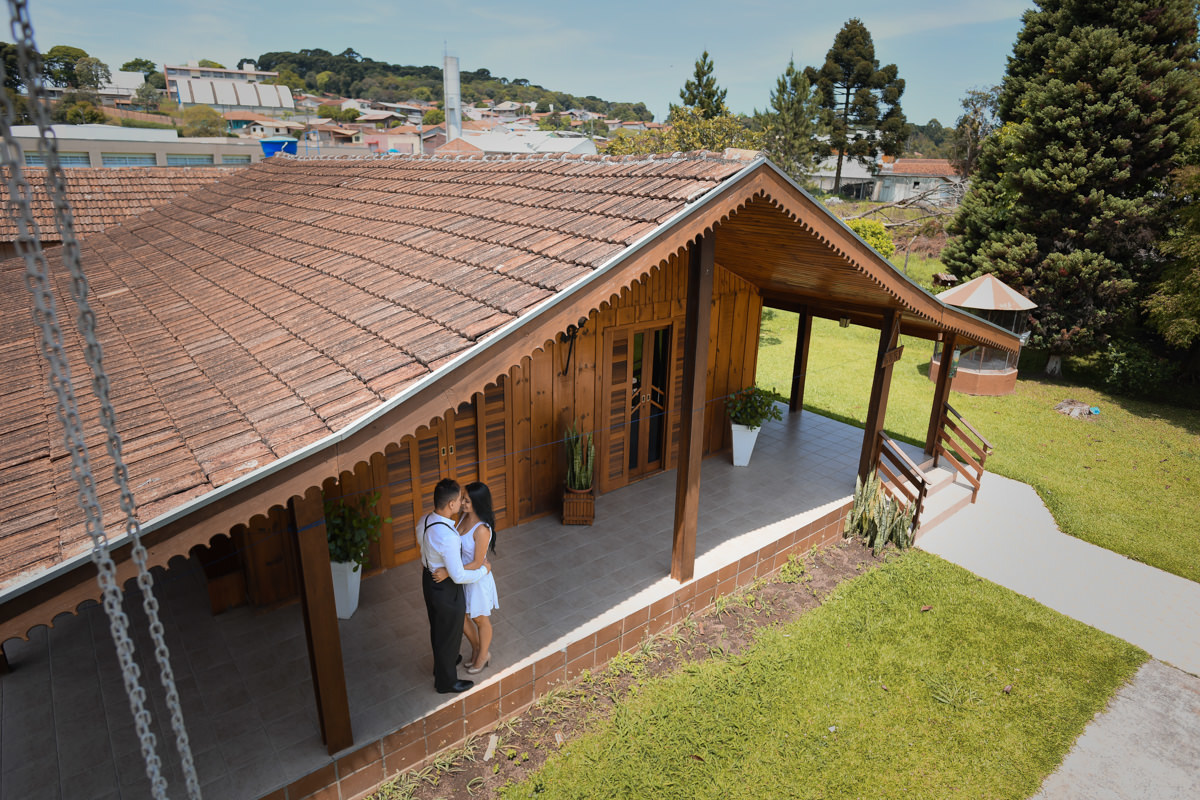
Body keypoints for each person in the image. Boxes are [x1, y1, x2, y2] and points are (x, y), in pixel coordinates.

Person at [417, 478, 491, 694]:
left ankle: (442, 666)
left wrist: (432, 564)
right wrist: (483, 571)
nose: (462, 503)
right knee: (449, 633)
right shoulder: (449, 536)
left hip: (429, 579)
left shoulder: (425, 520)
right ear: (451, 504)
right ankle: (446, 682)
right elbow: (458, 576)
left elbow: (423, 550)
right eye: (460, 500)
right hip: (446, 586)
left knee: (438, 628)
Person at [456, 482, 499, 674]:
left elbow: (477, 563)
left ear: (478, 503)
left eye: (467, 500)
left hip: (475, 580)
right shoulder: (463, 517)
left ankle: (483, 655)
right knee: (461, 617)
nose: (462, 503)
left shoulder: (482, 530)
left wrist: (451, 571)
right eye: (463, 498)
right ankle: (476, 648)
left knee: (480, 619)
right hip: (462, 576)